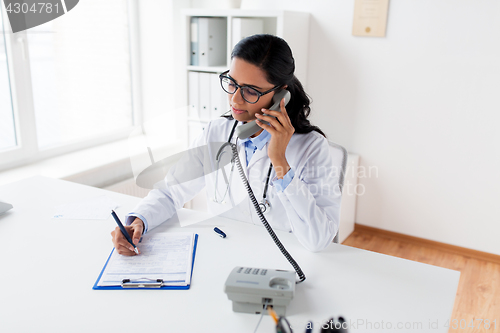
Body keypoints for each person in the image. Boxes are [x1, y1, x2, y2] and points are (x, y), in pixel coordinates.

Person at [111, 34, 341, 254]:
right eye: (232, 83)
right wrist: (139, 220)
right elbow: (172, 191)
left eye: (251, 90)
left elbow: (319, 239)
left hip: (283, 260)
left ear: (281, 94)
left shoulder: (311, 147)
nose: (235, 99)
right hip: (224, 253)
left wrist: (280, 162)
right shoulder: (216, 132)